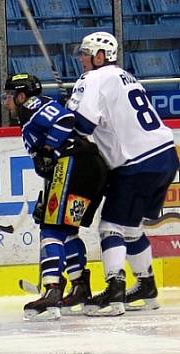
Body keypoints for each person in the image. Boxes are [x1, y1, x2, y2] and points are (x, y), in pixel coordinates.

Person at [68, 31, 179, 316]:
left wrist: (65, 111)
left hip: (137, 162)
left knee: (110, 228)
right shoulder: (126, 76)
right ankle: (146, 286)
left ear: (101, 56)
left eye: (86, 53)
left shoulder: (92, 78)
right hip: (165, 155)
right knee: (130, 227)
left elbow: (82, 125)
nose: (81, 58)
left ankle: (115, 291)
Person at [1, 73, 107, 320]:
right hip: (88, 169)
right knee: (67, 229)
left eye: (8, 96)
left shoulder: (32, 106)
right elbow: (48, 164)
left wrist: (48, 148)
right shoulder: (30, 113)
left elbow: (64, 120)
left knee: (51, 230)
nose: (5, 102)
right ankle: (80, 286)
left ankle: (52, 292)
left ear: (21, 96)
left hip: (75, 165)